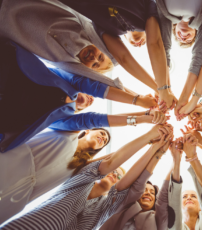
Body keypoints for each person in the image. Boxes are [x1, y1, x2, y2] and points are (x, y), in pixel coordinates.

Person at [0, 40, 166, 153]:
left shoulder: (62, 119)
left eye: (88, 105)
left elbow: (95, 120)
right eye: (90, 97)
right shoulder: (67, 78)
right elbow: (94, 86)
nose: (88, 100)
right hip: (9, 73)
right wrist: (138, 100)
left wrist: (143, 118)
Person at [0, 125, 173, 230]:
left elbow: (126, 185)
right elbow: (111, 161)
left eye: (119, 176)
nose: (115, 174)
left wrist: (155, 152)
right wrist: (150, 140)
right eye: (114, 171)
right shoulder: (80, 181)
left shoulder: (105, 208)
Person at [58, 0, 177, 110]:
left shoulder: (108, 29)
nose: (140, 44)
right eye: (145, 40)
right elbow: (156, 44)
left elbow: (123, 58)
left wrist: (160, 89)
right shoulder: (151, 6)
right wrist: (163, 89)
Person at [100, 130, 179, 230]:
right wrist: (159, 152)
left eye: (152, 192)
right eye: (145, 190)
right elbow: (140, 183)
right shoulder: (123, 208)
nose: (148, 193)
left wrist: (176, 159)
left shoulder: (158, 219)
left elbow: (163, 197)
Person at [156, 0, 202, 120]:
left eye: (180, 39)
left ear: (174, 29)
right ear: (196, 32)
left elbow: (163, 48)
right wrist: (183, 97)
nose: (183, 38)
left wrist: (166, 89)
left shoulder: (166, 13)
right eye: (189, 40)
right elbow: (199, 55)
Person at [167, 139, 202, 230]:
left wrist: (191, 156)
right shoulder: (174, 227)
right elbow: (174, 202)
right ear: (180, 206)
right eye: (184, 196)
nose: (189, 198)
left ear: (200, 206)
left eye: (194, 196)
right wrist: (176, 160)